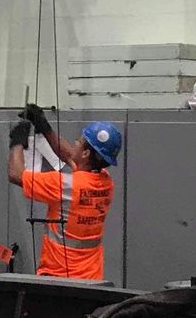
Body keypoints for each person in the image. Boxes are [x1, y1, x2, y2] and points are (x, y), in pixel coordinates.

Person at [8, 104, 121, 282]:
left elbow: (15, 174)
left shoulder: (64, 185)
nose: (75, 143)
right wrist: (44, 126)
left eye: (79, 141)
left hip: (58, 278)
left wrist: (16, 142)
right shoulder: (105, 182)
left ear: (85, 153)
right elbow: (69, 155)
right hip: (92, 279)